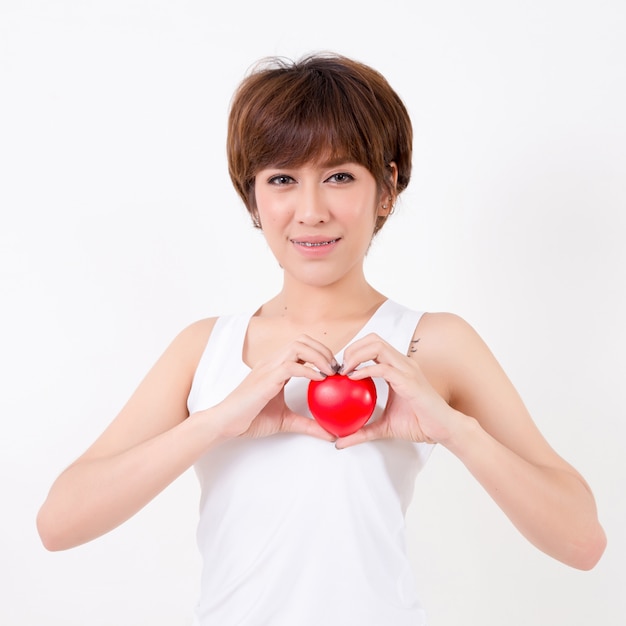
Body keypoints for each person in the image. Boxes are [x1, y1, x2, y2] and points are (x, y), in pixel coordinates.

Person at [37, 53, 606, 625]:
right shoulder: (204, 347)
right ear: (253, 199)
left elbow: (583, 543)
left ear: (386, 190)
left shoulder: (435, 344)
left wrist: (453, 430)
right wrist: (215, 421)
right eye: (282, 179)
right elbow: (59, 524)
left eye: (339, 177)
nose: (310, 211)